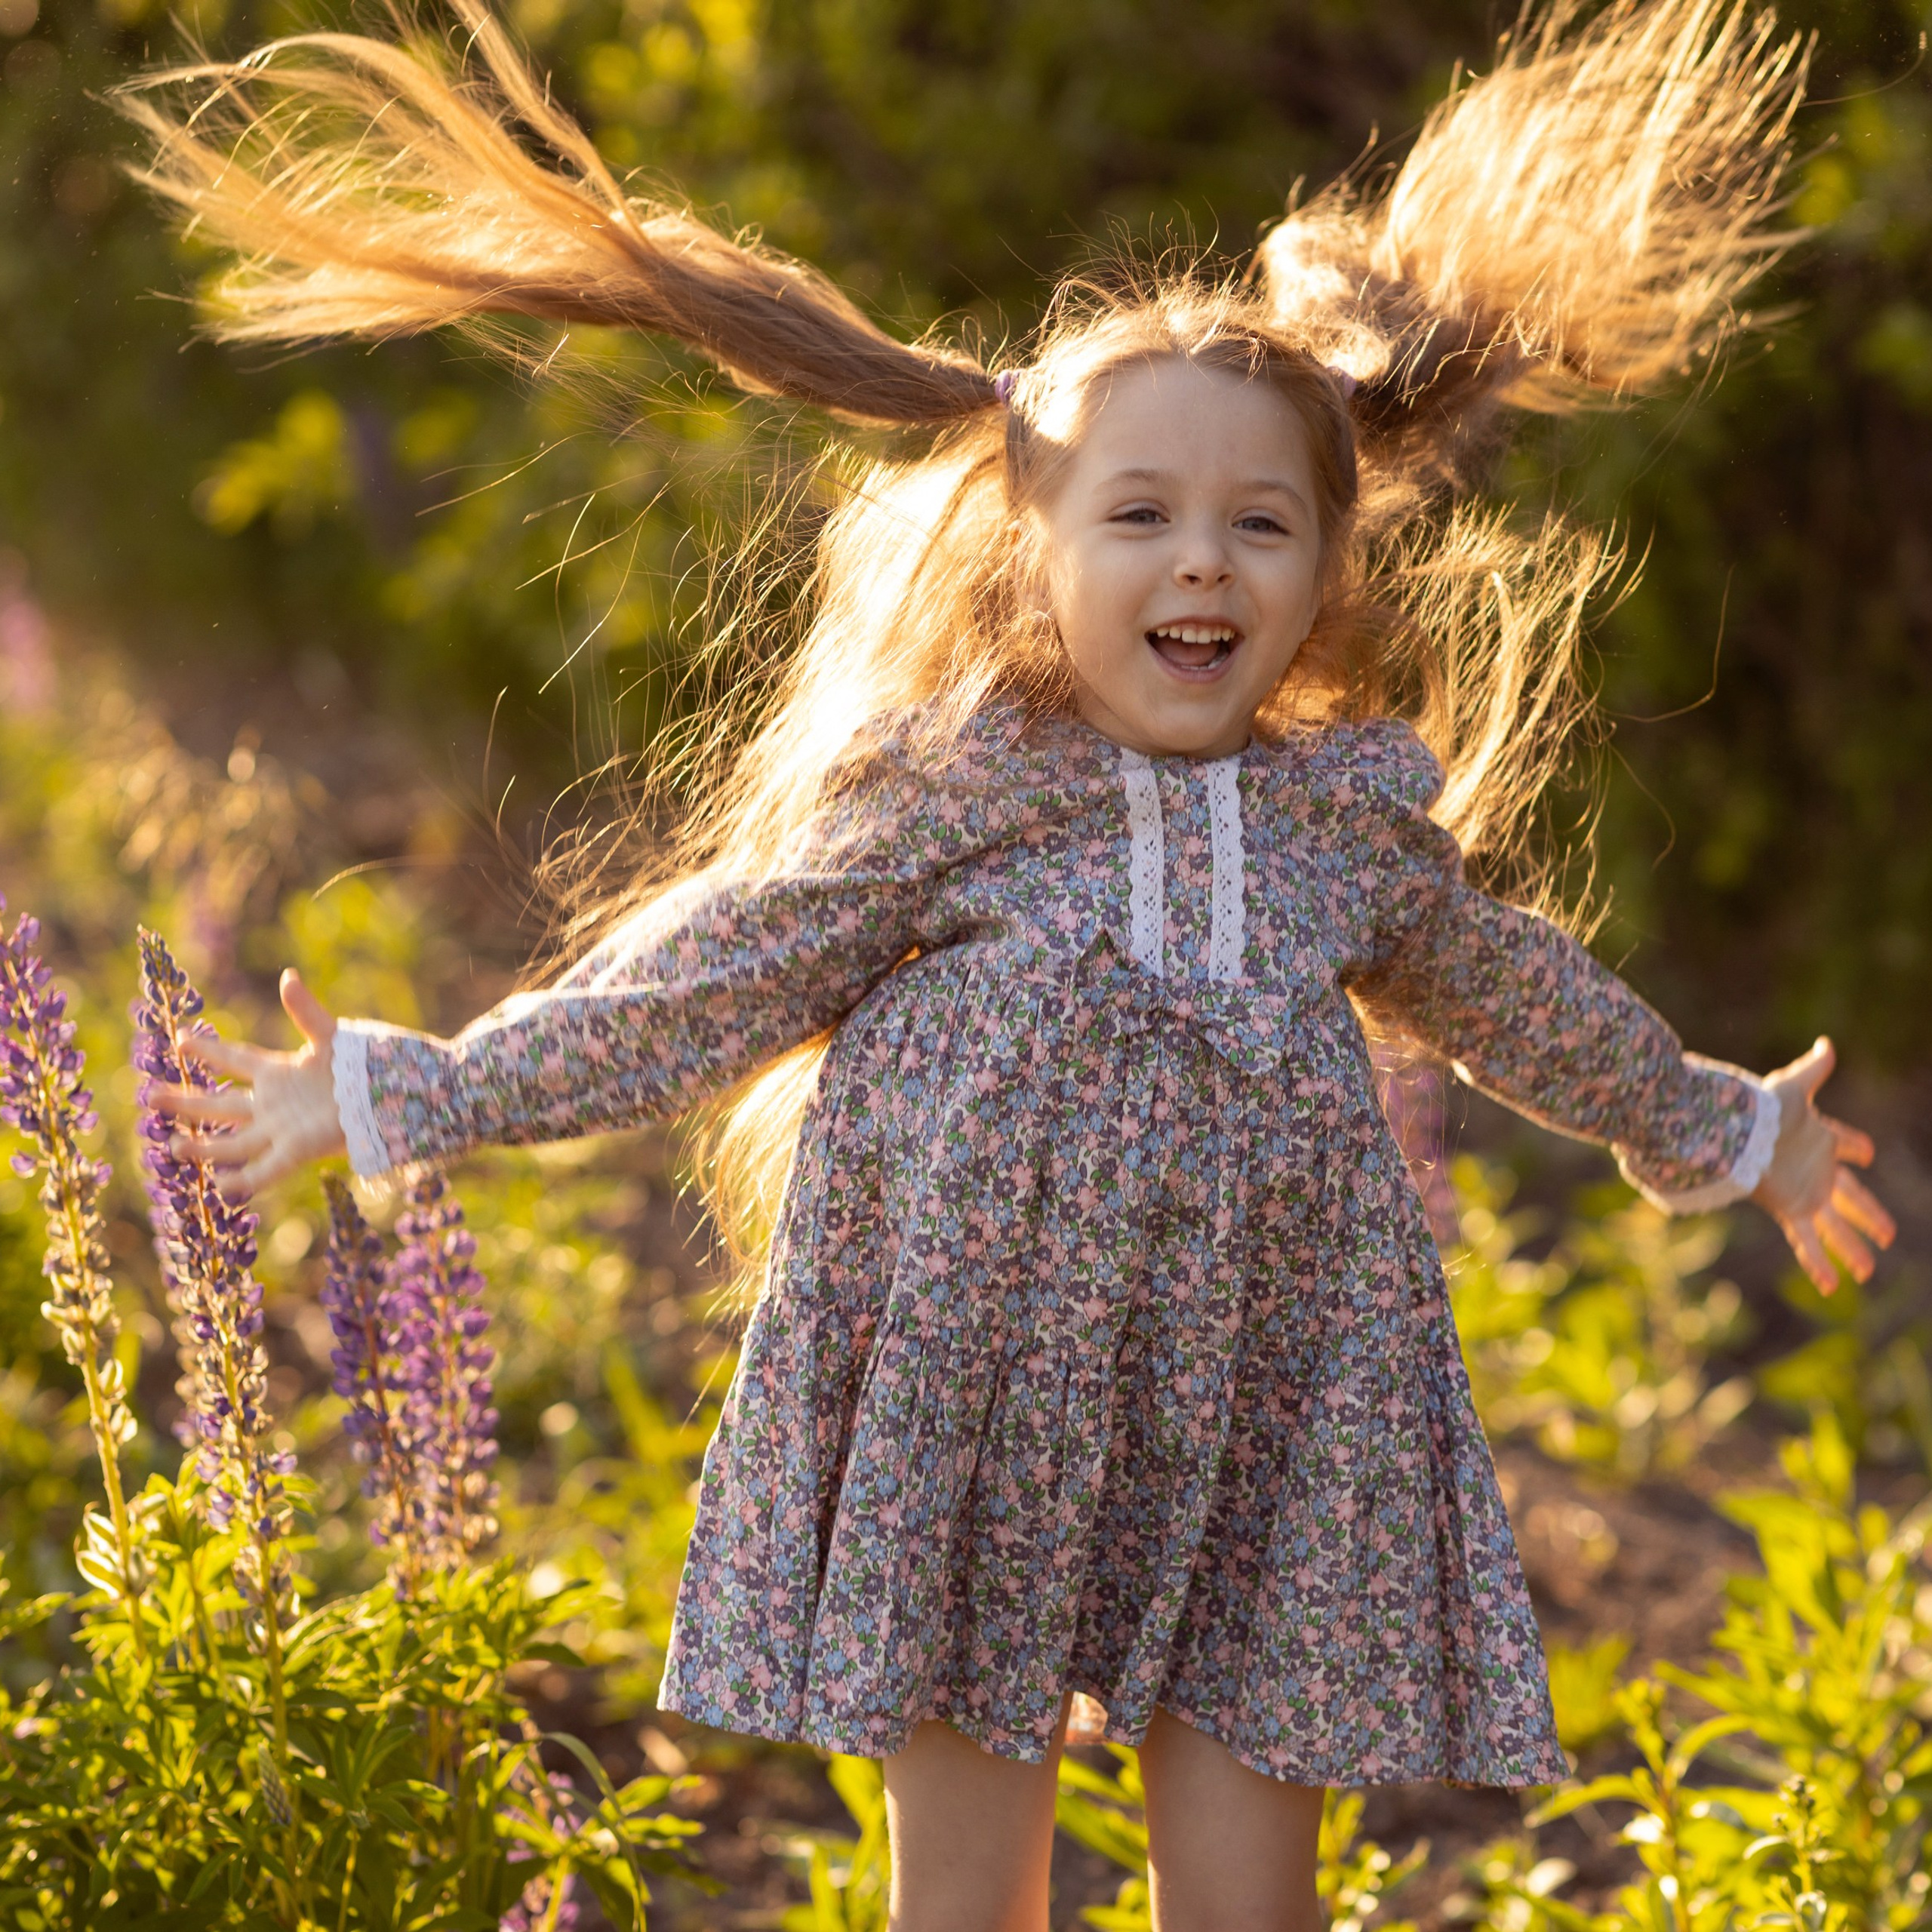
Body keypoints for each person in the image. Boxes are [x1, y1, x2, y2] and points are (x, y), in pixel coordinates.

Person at [138, 2, 1894, 1925]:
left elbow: (1521, 998)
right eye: (1138, 516)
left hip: (1274, 1421)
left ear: (1322, 571)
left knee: (1255, 1907)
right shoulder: (953, 792)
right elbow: (701, 979)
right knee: (967, 1905)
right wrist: (410, 1085)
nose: (1199, 562)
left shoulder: (1343, 827)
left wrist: (1730, 1127)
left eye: (1256, 524)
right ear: (1029, 550)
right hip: (971, 1419)